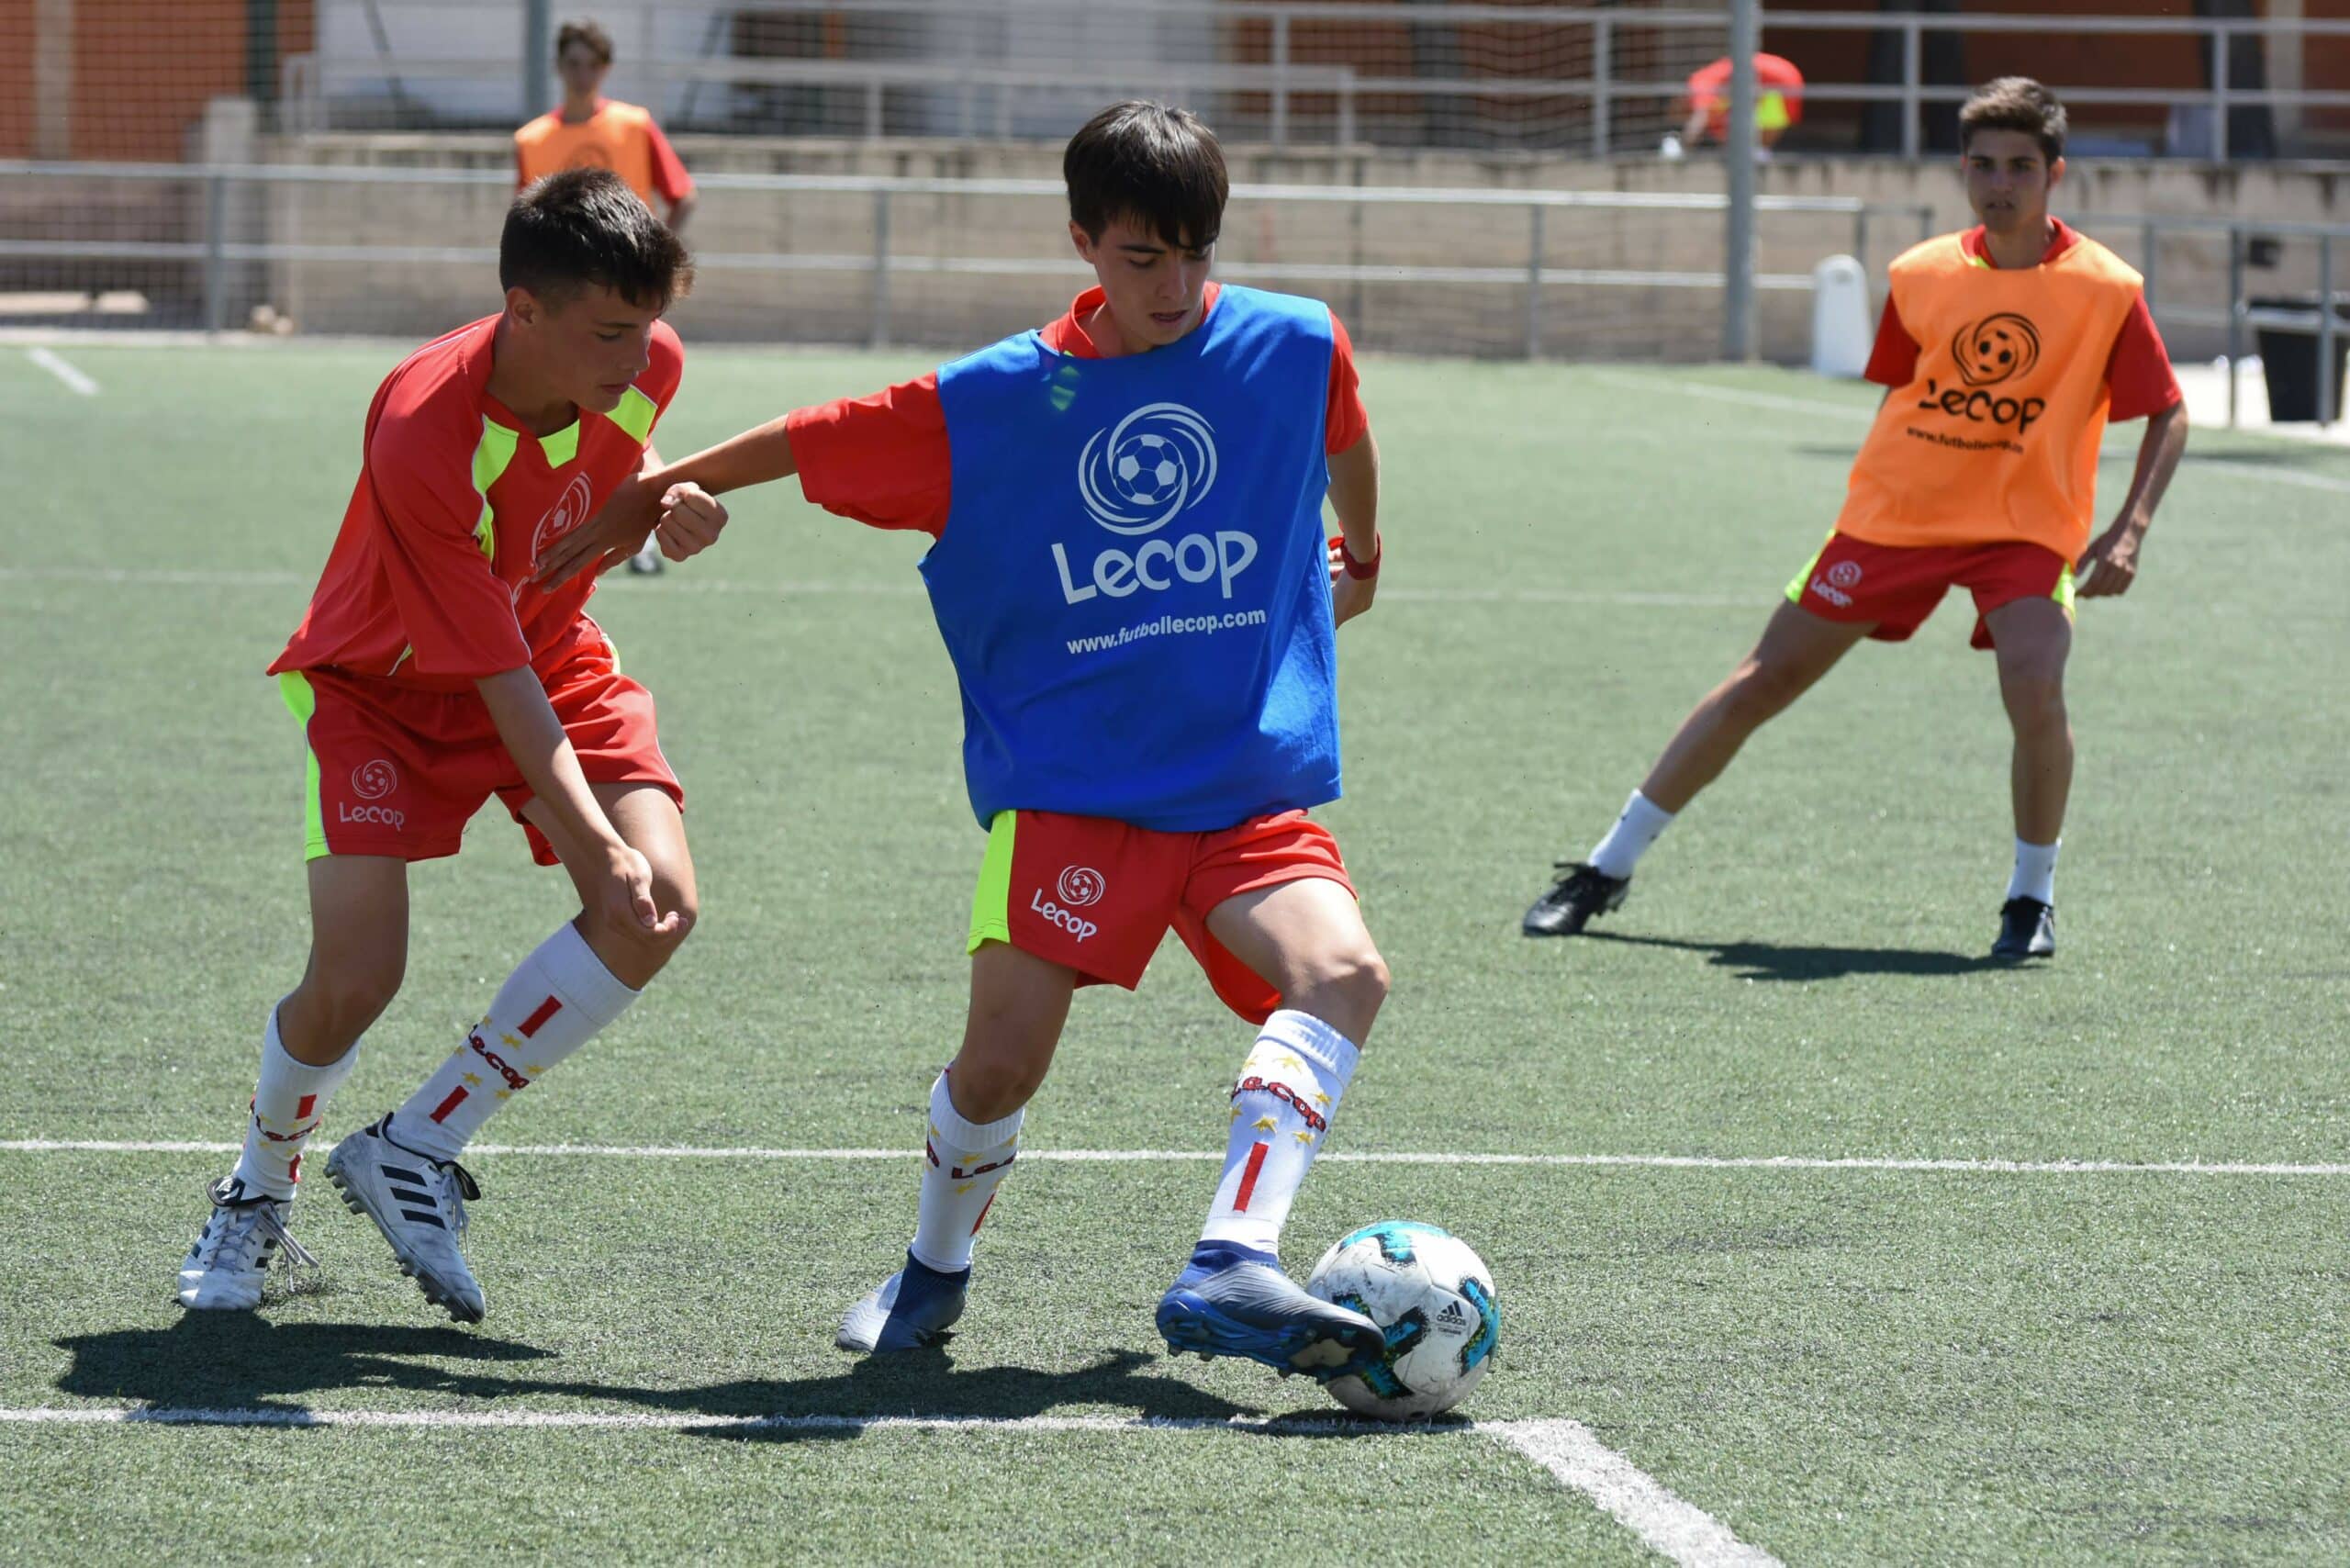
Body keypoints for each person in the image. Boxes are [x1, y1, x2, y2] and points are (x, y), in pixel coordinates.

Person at [540, 101, 1393, 1383]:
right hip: (1071, 791)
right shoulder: (999, 402)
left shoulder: (1293, 342)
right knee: (997, 1069)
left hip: (1241, 784)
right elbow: (817, 435)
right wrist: (654, 491)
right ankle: (934, 1270)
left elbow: (1342, 432)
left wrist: (1365, 554)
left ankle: (1231, 1257)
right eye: (1140, 258)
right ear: (1084, 243)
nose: (1174, 286)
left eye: (1193, 254)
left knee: (1344, 976)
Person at [175, 169, 719, 1321]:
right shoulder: (424, 423)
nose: (640, 356)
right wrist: (586, 841)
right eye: (611, 330)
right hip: (383, 688)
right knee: (358, 977)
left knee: (658, 897)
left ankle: (419, 1142)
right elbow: (492, 670)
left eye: (651, 325)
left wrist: (667, 508)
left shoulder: (643, 365)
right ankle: (256, 1189)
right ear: (523, 311)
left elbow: (570, 536)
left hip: (543, 652)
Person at [1526, 78, 2188, 961]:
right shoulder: (1922, 275)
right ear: (1963, 171)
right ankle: (1605, 869)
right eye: (1984, 166)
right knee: (1763, 680)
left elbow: (2169, 410)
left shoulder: (2106, 288)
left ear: (2054, 174)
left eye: (2021, 167)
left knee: (2035, 677)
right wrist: (1873, 508)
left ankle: (2032, 900)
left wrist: (2130, 529)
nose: (2001, 184)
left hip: (2024, 528)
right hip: (1898, 517)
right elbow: (1901, 397)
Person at [516, 17, 699, 576]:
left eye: (591, 64)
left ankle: (637, 531)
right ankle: (557, 525)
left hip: (620, 307)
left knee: (622, 418)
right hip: (564, 312)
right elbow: (522, 225)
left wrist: (650, 267)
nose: (581, 74)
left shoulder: (634, 126)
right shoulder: (532, 141)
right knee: (561, 419)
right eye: (572, 63)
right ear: (558, 67)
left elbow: (682, 196)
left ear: (605, 69)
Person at [1678, 52, 1806, 154]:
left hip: (1782, 80)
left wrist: (1684, 147)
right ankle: (1758, 151)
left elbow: (1700, 119)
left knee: (1763, 113)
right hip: (1787, 75)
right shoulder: (1711, 78)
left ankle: (1753, 151)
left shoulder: (1700, 83)